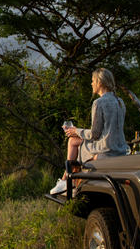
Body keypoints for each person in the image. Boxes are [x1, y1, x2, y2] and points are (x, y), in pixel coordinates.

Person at [50, 67, 129, 195]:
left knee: (72, 141)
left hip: (105, 149)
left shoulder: (99, 103)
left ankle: (66, 181)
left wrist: (76, 130)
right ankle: (66, 181)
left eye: (93, 80)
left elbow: (94, 134)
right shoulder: (120, 102)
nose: (91, 83)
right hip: (120, 148)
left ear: (100, 82)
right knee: (74, 140)